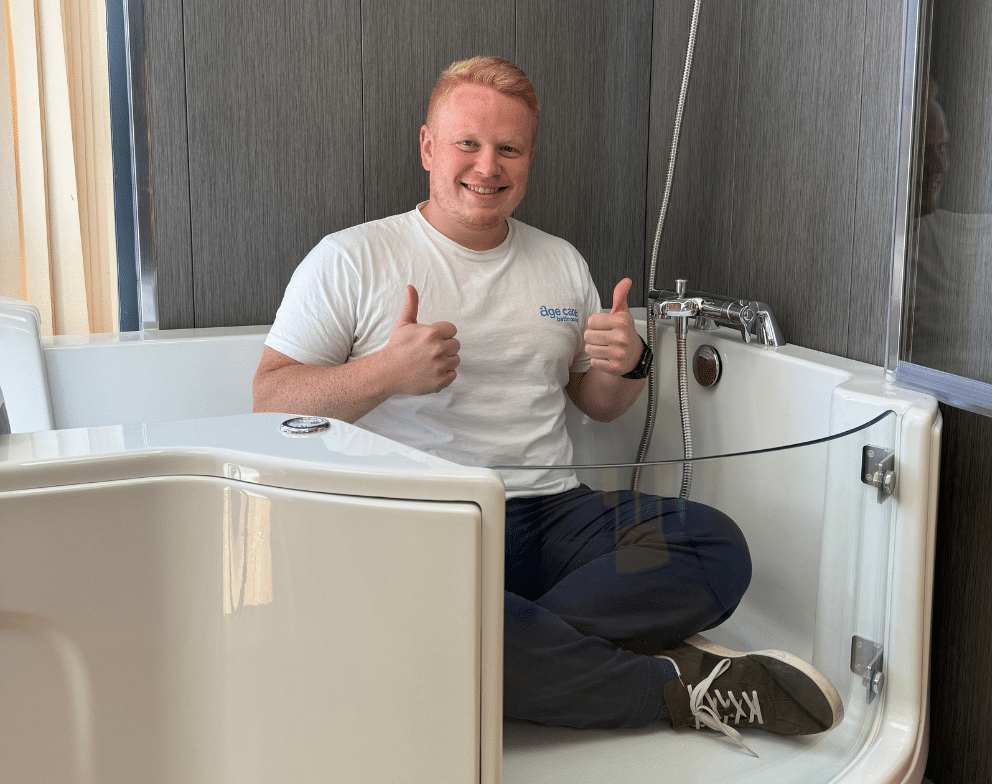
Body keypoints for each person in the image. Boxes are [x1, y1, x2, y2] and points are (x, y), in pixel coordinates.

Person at [253, 56, 843, 754]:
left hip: (554, 516)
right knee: (425, 614)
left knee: (715, 548)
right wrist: (384, 372)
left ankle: (487, 649)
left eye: (510, 148)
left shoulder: (560, 261)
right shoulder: (351, 258)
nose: (487, 165)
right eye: (467, 143)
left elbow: (599, 405)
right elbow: (269, 401)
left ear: (529, 157)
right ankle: (673, 687)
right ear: (427, 148)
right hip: (420, 525)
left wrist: (634, 362)